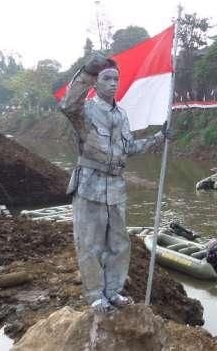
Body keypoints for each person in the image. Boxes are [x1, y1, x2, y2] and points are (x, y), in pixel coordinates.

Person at [61, 52, 170, 313]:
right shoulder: (84, 111)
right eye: (107, 78)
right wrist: (86, 71)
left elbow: (128, 147)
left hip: (116, 188)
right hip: (89, 185)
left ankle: (114, 291)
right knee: (90, 244)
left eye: (116, 79)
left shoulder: (121, 115)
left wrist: (159, 137)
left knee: (119, 244)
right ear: (96, 83)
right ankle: (96, 295)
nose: (113, 83)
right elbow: (67, 104)